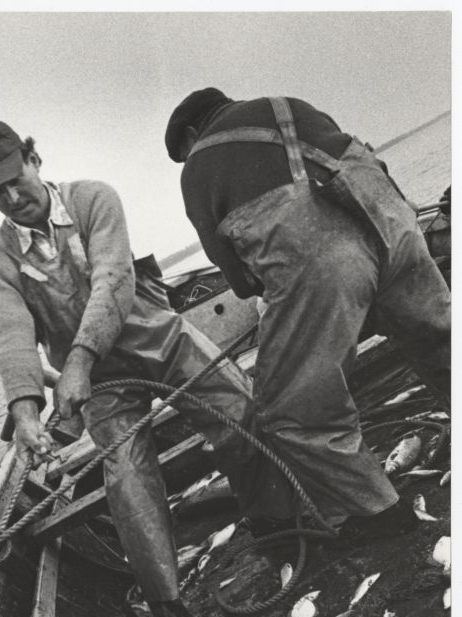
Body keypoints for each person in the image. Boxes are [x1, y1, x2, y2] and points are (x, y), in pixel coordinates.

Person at [0, 120, 261, 617]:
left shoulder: (93, 199)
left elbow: (113, 282)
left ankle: (276, 517)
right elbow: (13, 336)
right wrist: (27, 411)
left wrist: (76, 360)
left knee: (238, 409)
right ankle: (170, 608)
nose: (11, 198)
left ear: (35, 160)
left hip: (160, 340)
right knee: (127, 478)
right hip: (101, 386)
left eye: (15, 179)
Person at [164, 89, 451, 543]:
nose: (191, 158)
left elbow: (240, 284)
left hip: (324, 262)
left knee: (292, 410)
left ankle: (379, 513)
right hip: (395, 226)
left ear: (190, 135)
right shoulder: (288, 105)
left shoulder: (196, 168)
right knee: (440, 337)